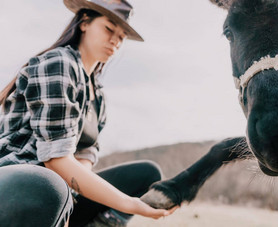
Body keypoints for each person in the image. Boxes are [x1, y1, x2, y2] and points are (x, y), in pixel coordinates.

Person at [0, 0, 178, 226]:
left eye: (122, 37)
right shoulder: (59, 63)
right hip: (19, 183)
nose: (115, 40)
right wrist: (128, 203)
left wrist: (74, 194)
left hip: (60, 188)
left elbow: (84, 157)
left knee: (147, 173)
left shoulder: (98, 97)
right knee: (51, 184)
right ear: (84, 23)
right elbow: (56, 160)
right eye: (108, 28)